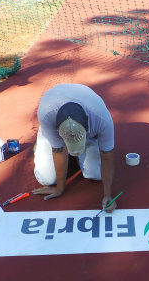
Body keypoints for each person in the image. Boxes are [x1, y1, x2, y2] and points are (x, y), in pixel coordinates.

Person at [32, 83, 117, 213]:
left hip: (90, 134)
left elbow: (107, 156)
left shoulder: (102, 120)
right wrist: (60, 188)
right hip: (54, 131)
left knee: (96, 173)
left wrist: (107, 195)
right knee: (47, 179)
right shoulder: (47, 115)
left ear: (87, 120)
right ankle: (45, 138)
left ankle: (78, 154)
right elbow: (58, 151)